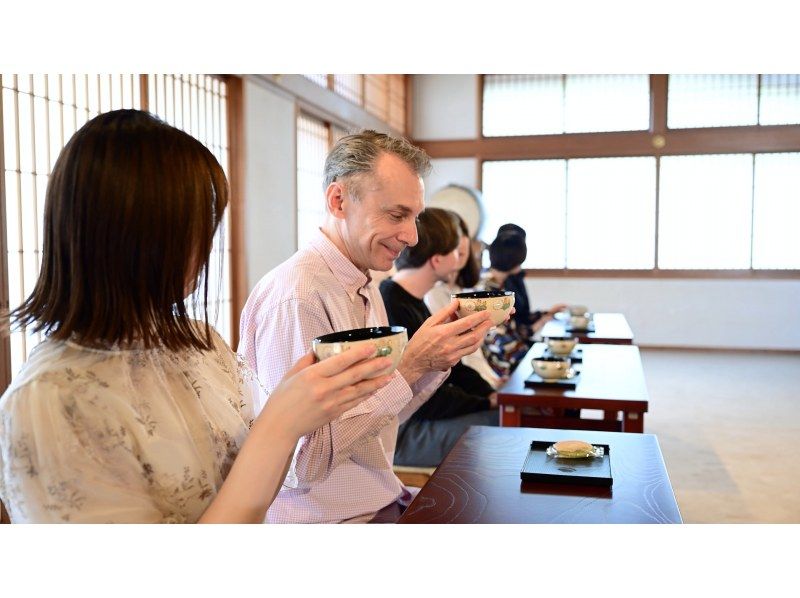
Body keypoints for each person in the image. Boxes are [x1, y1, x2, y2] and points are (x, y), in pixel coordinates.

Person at [0, 110, 393, 524]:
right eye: (194, 224)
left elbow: (259, 490)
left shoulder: (198, 342)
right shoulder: (51, 400)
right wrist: (280, 423)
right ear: (132, 234)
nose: (206, 245)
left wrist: (292, 414)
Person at [238, 130, 494, 523]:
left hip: (378, 499)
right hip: (328, 520)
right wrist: (409, 365)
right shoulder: (297, 297)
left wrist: (438, 358)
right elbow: (298, 466)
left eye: (415, 217)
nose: (411, 236)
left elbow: (381, 420)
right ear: (338, 201)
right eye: (396, 215)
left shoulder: (364, 282)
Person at [380, 208, 499, 467]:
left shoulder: (412, 298)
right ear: (436, 260)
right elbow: (421, 396)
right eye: (457, 251)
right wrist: (484, 402)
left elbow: (452, 369)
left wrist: (489, 393)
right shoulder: (390, 301)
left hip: (422, 419)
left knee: (507, 417)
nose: (460, 259)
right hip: (403, 433)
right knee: (502, 427)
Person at [424, 214, 502, 389]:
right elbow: (461, 356)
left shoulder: (462, 290)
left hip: (481, 374)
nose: (458, 259)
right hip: (464, 382)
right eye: (455, 252)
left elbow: (477, 354)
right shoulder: (433, 293)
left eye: (462, 254)